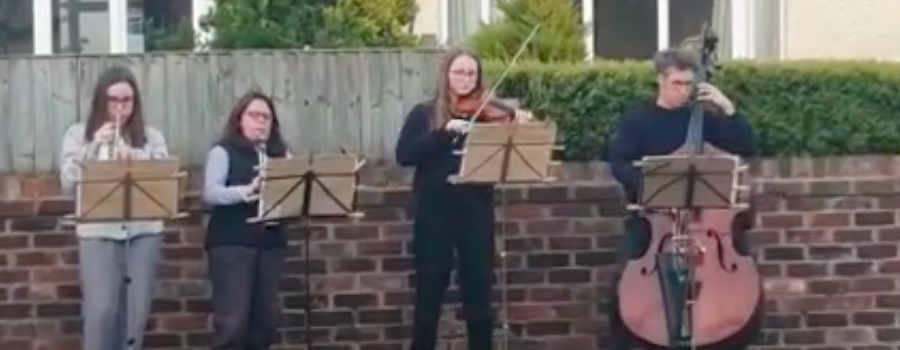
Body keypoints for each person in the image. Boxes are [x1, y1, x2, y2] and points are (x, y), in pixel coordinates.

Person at [605, 48, 760, 350]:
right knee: (622, 294)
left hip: (706, 225)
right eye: (677, 83)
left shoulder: (701, 119)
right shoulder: (638, 120)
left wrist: (727, 108)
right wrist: (653, 190)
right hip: (655, 221)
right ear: (660, 80)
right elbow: (619, 164)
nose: (683, 91)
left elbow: (746, 146)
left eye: (689, 84)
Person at [395, 48, 532, 350]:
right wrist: (444, 132)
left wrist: (518, 125)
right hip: (435, 214)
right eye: (459, 73)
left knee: (479, 297)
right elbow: (404, 155)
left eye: (471, 74)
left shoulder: (486, 114)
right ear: (446, 75)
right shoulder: (425, 114)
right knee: (429, 297)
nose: (465, 80)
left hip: (476, 211)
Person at [59, 66, 170, 350]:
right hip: (98, 231)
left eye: (127, 100)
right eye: (113, 100)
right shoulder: (77, 134)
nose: (120, 107)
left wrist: (134, 156)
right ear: (101, 101)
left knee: (135, 315)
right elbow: (68, 181)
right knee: (101, 311)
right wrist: (95, 146)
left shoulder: (151, 136)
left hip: (143, 231)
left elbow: (163, 175)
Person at [202, 90, 290, 350]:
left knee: (266, 320)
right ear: (240, 119)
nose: (260, 122)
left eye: (266, 117)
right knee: (233, 322)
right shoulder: (223, 151)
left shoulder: (279, 153)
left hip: (270, 243)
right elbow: (211, 193)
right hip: (232, 244)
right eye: (253, 115)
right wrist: (246, 191)